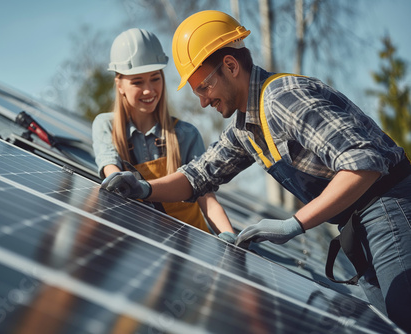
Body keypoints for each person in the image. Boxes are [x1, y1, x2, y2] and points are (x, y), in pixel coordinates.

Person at [100, 11, 411, 332]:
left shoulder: (281, 98)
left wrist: (295, 223)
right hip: (357, 225)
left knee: (403, 314)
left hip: (389, 206)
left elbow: (365, 162)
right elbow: (197, 177)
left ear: (231, 67)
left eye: (203, 87)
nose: (203, 101)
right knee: (388, 321)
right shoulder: (248, 127)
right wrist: (144, 188)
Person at [93, 28, 235, 240]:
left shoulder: (186, 134)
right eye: (137, 82)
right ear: (120, 85)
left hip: (192, 245)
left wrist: (228, 236)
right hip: (145, 246)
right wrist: (117, 180)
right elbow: (111, 172)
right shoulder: (106, 126)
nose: (149, 90)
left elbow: (207, 199)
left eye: (155, 78)